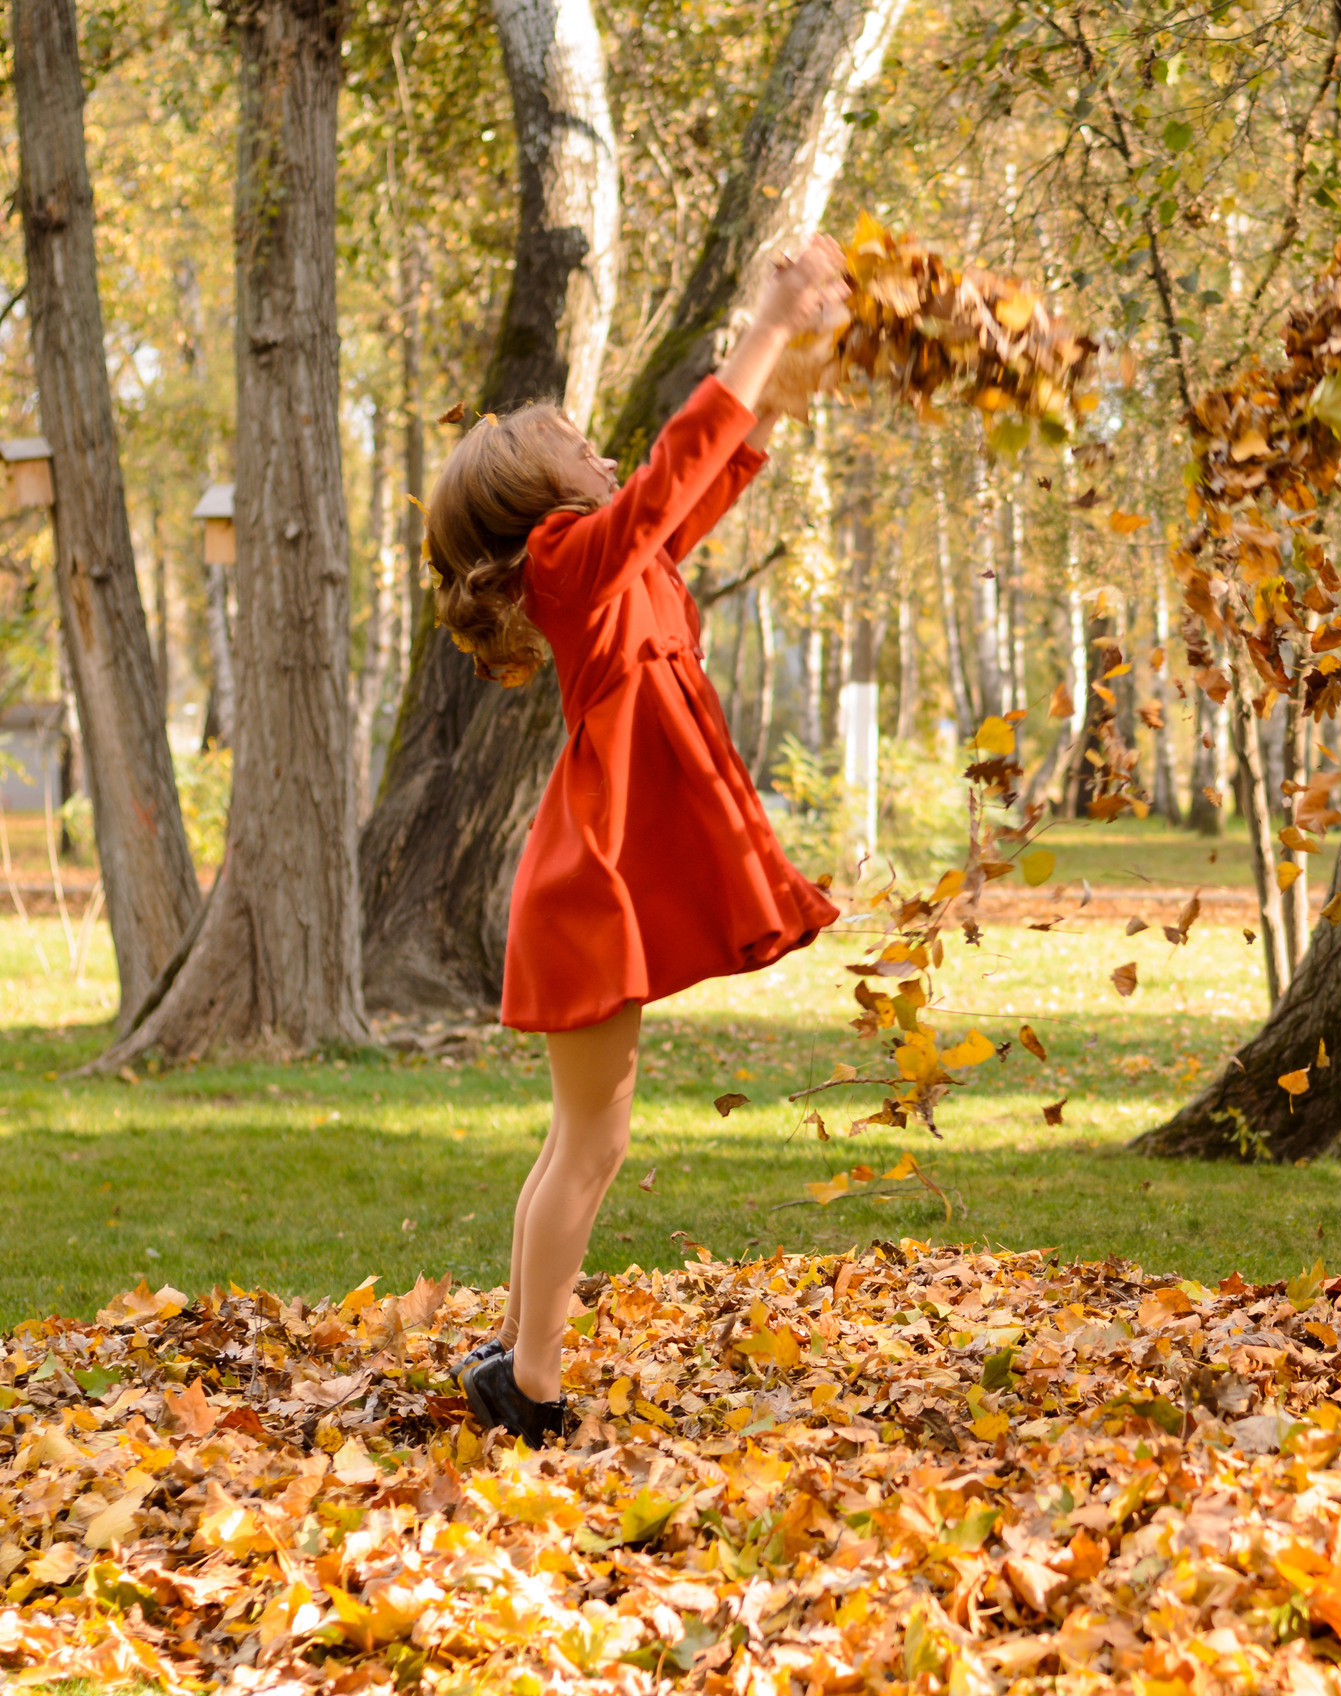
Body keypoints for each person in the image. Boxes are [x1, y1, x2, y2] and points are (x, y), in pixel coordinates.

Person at [425, 239, 852, 1444]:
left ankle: (518, 1347)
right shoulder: (567, 563)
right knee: (594, 1142)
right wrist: (758, 330)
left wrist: (792, 365)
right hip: (583, 891)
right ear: (532, 492)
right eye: (574, 442)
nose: (598, 449)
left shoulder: (620, 565)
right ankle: (534, 1384)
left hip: (589, 882)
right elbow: (666, 480)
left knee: (580, 1136)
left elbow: (705, 479)